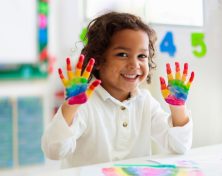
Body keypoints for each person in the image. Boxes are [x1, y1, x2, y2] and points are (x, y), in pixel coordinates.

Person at [41, 11, 195, 168]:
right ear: (98, 60)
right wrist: (70, 108)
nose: (135, 64)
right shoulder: (85, 104)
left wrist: (178, 109)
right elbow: (54, 151)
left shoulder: (145, 101)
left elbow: (179, 146)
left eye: (142, 56)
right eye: (122, 54)